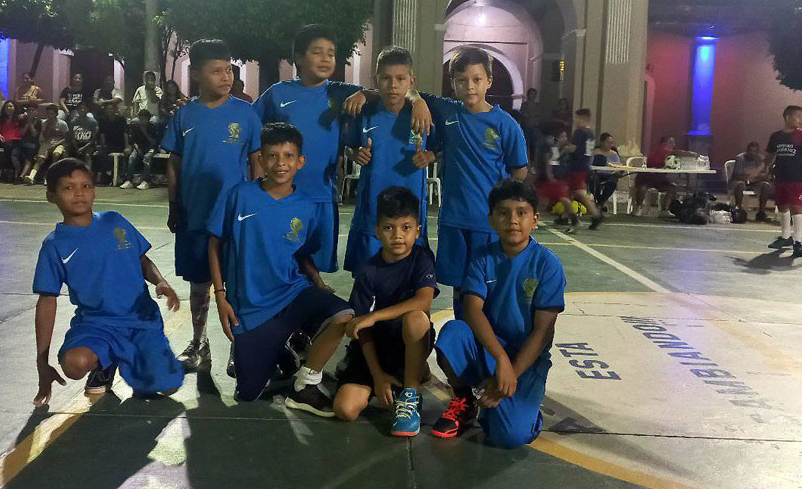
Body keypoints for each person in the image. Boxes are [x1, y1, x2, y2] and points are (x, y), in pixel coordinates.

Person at [208, 122, 352, 415]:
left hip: (291, 293)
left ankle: (306, 384)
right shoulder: (239, 195)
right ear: (260, 159)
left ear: (300, 161)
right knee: (248, 392)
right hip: (250, 307)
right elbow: (214, 244)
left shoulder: (307, 207)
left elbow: (302, 254)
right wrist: (220, 296)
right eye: (272, 156)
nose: (280, 163)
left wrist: (318, 282)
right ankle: (280, 350)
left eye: (288, 156)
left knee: (342, 314)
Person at [254, 25, 418, 274]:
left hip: (322, 197)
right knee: (276, 265)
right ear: (299, 57)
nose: (325, 58)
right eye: (317, 52)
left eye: (331, 53)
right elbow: (251, 131)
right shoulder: (277, 94)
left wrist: (414, 99)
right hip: (280, 197)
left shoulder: (340, 93)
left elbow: (391, 91)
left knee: (314, 271)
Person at [31, 158, 184, 404]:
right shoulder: (54, 245)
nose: (79, 193)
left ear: (94, 190)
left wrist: (160, 281)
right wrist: (42, 362)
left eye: (86, 186)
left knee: (169, 387)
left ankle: (134, 358)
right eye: (69, 187)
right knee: (74, 364)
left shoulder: (114, 221)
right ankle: (105, 363)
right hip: (97, 325)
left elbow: (142, 259)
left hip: (141, 321)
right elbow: (47, 301)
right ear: (51, 195)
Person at [390, 47, 527, 318]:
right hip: (453, 219)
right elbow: (408, 91)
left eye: (477, 79)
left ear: (489, 81)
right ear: (453, 83)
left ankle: (487, 338)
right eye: (462, 80)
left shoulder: (506, 125)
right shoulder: (447, 111)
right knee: (460, 289)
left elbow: (519, 172)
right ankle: (463, 335)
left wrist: (506, 209)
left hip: (488, 223)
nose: (469, 86)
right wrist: (418, 101)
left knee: (487, 288)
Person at [430, 179, 564, 448]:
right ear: (491, 220)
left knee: (509, 437)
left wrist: (511, 370)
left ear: (535, 220)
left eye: (521, 213)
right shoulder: (482, 258)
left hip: (526, 359)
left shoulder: (547, 264)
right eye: (503, 213)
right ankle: (466, 399)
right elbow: (472, 309)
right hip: (489, 349)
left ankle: (526, 412)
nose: (512, 220)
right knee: (453, 333)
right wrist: (500, 359)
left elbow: (542, 331)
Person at [162, 39, 263, 377]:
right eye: (217, 71)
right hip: (195, 214)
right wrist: (174, 205)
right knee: (199, 282)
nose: (226, 77)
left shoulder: (246, 114)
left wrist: (256, 204)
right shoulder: (184, 115)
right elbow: (174, 162)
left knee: (236, 283)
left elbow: (256, 161)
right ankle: (199, 342)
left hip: (234, 217)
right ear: (196, 75)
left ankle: (239, 346)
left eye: (229, 70)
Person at [334, 187, 439, 436]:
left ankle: (410, 393)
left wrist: (374, 315)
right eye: (389, 228)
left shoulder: (422, 258)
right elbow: (360, 330)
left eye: (406, 227)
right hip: (375, 348)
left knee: (416, 318)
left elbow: (423, 301)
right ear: (377, 231)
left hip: (407, 340)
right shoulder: (368, 270)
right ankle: (398, 376)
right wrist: (378, 376)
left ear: (418, 231)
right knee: (345, 410)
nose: (398, 235)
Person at [342, 46, 434, 274]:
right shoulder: (364, 113)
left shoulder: (424, 114)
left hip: (410, 216)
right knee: (367, 281)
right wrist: (355, 153)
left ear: (411, 81)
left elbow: (442, 149)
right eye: (386, 78)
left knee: (410, 282)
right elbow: (348, 147)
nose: (393, 85)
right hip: (372, 215)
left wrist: (430, 156)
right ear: (376, 80)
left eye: (400, 79)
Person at [766, 105, 802, 257]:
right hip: (781, 176)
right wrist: (764, 170)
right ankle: (785, 236)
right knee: (782, 206)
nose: (800, 120)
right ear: (788, 117)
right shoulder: (776, 136)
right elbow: (770, 156)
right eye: (797, 117)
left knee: (796, 207)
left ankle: (798, 242)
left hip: (797, 177)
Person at [632, 136, 696, 217]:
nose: (673, 144)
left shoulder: (668, 155)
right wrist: (691, 154)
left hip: (659, 179)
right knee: (643, 188)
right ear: (664, 143)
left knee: (672, 187)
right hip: (647, 177)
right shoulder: (662, 150)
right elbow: (677, 152)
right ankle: (638, 207)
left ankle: (665, 210)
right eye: (671, 142)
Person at [565, 109, 603, 230]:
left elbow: (575, 149)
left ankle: (586, 216)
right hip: (584, 166)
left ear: (584, 119)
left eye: (577, 118)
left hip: (577, 166)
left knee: (574, 193)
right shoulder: (591, 134)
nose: (575, 121)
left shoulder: (580, 133)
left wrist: (564, 148)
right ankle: (567, 215)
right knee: (573, 192)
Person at [534, 128, 575, 228]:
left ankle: (574, 220)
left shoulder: (555, 147)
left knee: (563, 198)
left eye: (565, 136)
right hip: (549, 177)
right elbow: (548, 161)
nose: (565, 139)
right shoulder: (550, 145)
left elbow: (551, 161)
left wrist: (550, 176)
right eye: (562, 136)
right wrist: (549, 175)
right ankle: (573, 220)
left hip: (554, 178)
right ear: (556, 138)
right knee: (538, 198)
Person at [25, 104, 70, 185]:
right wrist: (48, 128)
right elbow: (44, 137)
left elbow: (66, 138)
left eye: (51, 114)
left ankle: (49, 176)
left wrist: (55, 145)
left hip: (59, 143)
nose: (50, 116)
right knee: (40, 158)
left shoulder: (62, 124)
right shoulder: (44, 123)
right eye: (48, 114)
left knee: (56, 155)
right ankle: (31, 176)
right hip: (47, 143)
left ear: (56, 114)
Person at [729, 141, 771, 222]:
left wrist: (755, 177)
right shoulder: (740, 158)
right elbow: (738, 175)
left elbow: (765, 175)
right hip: (739, 181)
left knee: (765, 185)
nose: (752, 153)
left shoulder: (761, 159)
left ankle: (761, 212)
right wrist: (752, 177)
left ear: (757, 152)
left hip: (755, 182)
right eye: (750, 151)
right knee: (740, 184)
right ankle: (738, 210)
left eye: (755, 151)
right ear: (747, 150)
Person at [0, 100, 24, 181]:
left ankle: (8, 170)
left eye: (11, 106)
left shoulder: (19, 118)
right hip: (2, 138)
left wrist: (24, 115)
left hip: (15, 139)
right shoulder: (1, 118)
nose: (9, 108)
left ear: (14, 108)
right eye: (7, 107)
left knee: (8, 146)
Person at [122, 109, 159, 190]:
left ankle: (146, 181)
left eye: (144, 119)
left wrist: (145, 133)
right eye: (140, 119)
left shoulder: (153, 127)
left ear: (148, 119)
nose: (142, 121)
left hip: (151, 148)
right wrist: (137, 149)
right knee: (132, 158)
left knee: (147, 158)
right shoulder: (136, 127)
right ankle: (129, 180)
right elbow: (133, 141)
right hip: (140, 148)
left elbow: (154, 142)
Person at [96, 102, 131, 186]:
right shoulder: (102, 120)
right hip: (109, 144)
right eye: (107, 109)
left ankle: (122, 176)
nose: (109, 111)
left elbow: (125, 133)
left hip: (120, 144)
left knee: (124, 156)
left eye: (111, 109)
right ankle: (106, 176)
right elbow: (102, 134)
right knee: (101, 154)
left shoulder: (121, 119)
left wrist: (127, 146)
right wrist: (102, 146)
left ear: (115, 110)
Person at [591, 132, 622, 209]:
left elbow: (618, 166)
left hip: (609, 175)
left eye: (611, 143)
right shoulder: (594, 152)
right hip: (597, 174)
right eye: (608, 142)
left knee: (612, 183)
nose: (610, 145)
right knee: (593, 182)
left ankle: (600, 203)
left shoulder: (614, 154)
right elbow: (590, 164)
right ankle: (601, 202)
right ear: (602, 142)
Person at [69, 102, 99, 173]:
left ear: (87, 110)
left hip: (89, 145)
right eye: (80, 108)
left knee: (87, 155)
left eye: (84, 108)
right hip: (77, 145)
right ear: (77, 110)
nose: (82, 110)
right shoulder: (73, 122)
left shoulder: (93, 122)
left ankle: (88, 174)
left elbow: (93, 139)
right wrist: (76, 148)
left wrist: (83, 148)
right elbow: (72, 138)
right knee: (68, 154)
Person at [17, 104, 42, 183]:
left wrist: (30, 123)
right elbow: (21, 133)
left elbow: (35, 134)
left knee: (29, 156)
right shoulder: (22, 121)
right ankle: (18, 172)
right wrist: (27, 124)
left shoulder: (39, 122)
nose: (30, 112)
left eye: (32, 110)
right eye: (29, 110)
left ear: (36, 112)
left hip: (33, 144)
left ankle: (22, 176)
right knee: (15, 153)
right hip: (23, 142)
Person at [519, 88, 543, 167]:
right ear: (528, 95)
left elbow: (539, 115)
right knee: (525, 145)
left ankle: (532, 163)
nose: (533, 96)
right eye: (531, 94)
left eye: (534, 94)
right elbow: (523, 115)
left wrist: (534, 117)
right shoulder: (524, 105)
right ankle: (524, 162)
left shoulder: (537, 105)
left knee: (533, 145)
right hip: (526, 127)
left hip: (534, 127)